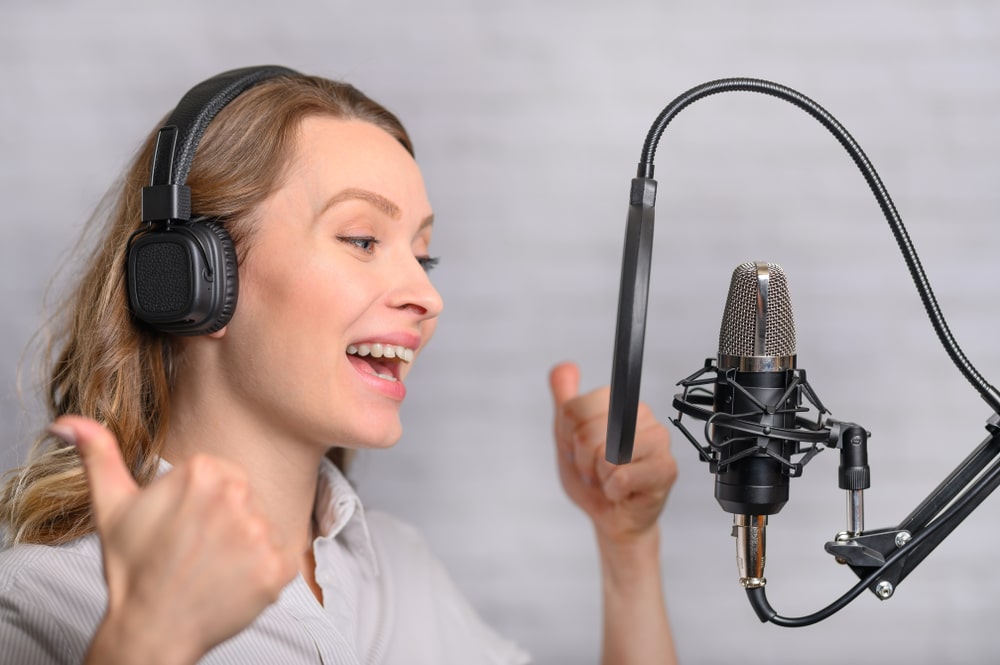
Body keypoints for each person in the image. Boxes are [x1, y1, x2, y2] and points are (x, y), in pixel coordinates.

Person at [0, 66, 678, 665]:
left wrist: (628, 551)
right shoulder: (42, 603)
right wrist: (144, 645)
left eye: (424, 255)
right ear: (193, 278)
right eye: (362, 239)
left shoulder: (400, 575)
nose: (428, 295)